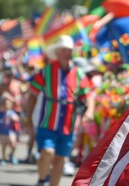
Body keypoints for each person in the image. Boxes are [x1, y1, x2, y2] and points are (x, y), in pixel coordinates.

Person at [26, 35, 94, 186]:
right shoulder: (46, 72)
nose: (66, 53)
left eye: (69, 50)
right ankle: (42, 179)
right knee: (47, 152)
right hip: (47, 123)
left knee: (60, 159)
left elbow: (88, 94)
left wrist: (89, 112)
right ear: (56, 52)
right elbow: (32, 95)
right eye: (63, 50)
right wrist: (28, 117)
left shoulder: (78, 73)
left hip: (68, 126)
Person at [0, 68, 20, 166]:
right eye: (7, 75)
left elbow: (20, 96)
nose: (9, 77)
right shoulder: (3, 85)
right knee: (3, 142)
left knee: (14, 141)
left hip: (15, 111)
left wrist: (13, 99)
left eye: (10, 75)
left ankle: (11, 155)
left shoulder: (17, 84)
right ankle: (3, 158)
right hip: (4, 112)